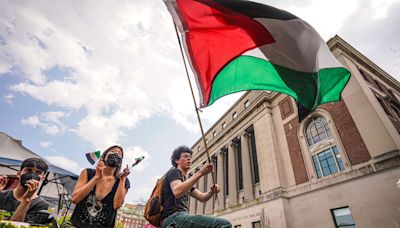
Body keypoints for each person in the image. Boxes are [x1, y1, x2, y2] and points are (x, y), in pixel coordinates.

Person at [161, 146, 232, 228]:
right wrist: (201, 172)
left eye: (190, 157)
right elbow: (177, 191)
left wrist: (212, 191)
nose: (189, 159)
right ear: (177, 160)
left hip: (179, 218)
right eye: (185, 157)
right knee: (223, 224)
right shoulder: (174, 172)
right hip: (174, 218)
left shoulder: (185, 181)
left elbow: (202, 197)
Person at [66, 145, 130, 228]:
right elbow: (74, 199)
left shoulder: (123, 181)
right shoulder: (87, 173)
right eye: (113, 152)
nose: (116, 155)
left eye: (119, 154)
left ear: (121, 162)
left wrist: (123, 179)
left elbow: (116, 205)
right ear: (103, 157)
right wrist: (96, 177)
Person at [0, 158, 49, 222]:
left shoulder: (40, 204)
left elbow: (18, 225)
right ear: (18, 174)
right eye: (28, 170)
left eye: (38, 172)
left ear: (42, 178)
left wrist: (27, 199)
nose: (32, 175)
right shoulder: (2, 195)